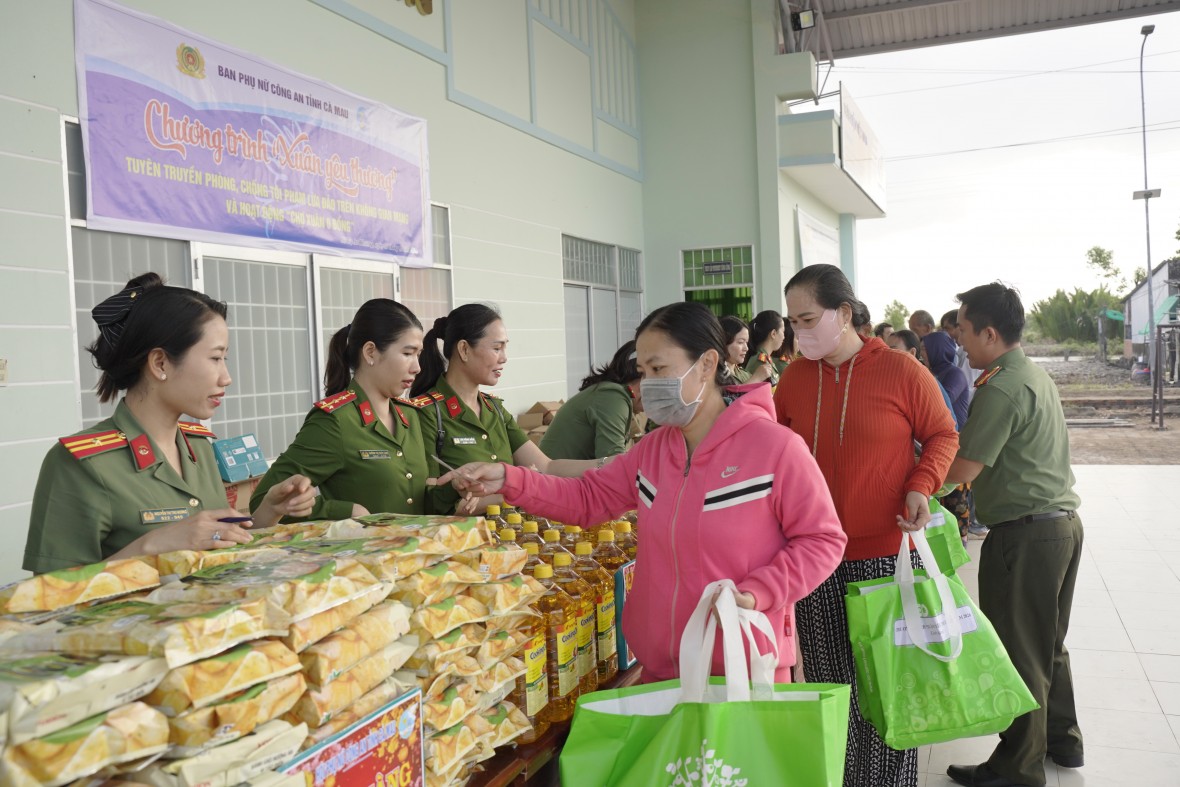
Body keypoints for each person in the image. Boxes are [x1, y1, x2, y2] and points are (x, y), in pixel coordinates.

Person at [433, 301, 847, 684]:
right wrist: (509, 480)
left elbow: (822, 539)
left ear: (706, 364)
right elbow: (586, 499)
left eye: (659, 369)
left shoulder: (774, 449)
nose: (647, 385)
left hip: (741, 671)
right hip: (663, 672)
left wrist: (761, 592)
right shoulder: (653, 451)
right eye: (644, 371)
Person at [773, 264, 958, 787]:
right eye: (793, 322)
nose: (800, 332)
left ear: (844, 314)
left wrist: (922, 483)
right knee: (834, 684)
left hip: (884, 557)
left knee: (886, 684)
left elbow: (944, 435)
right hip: (814, 558)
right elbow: (775, 450)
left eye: (808, 319)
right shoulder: (795, 378)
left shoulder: (900, 371)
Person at [24, 273, 315, 574]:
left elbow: (214, 549)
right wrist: (151, 546)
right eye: (215, 358)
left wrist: (270, 510)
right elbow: (51, 595)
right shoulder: (80, 464)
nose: (226, 377)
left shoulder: (198, 447)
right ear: (160, 363)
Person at [944, 284, 1083, 787]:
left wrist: (915, 489)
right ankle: (1062, 742)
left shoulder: (999, 387)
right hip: (1061, 525)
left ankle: (1018, 765)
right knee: (1048, 643)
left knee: (1020, 648)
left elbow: (965, 466)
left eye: (961, 329)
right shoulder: (1032, 374)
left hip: (1026, 536)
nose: (958, 339)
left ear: (988, 332)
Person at [250, 299, 431, 519]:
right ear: (370, 352)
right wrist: (343, 511)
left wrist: (456, 486)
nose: (417, 367)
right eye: (407, 354)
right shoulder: (336, 421)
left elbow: (418, 493)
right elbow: (265, 500)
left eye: (418, 355)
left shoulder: (409, 416)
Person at [409, 303, 599, 513]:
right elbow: (432, 502)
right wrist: (517, 489)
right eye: (496, 348)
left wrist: (612, 465)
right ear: (464, 349)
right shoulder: (425, 413)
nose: (504, 358)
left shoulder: (494, 410)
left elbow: (546, 467)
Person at [539, 340, 643, 460]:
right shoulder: (614, 397)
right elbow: (612, 462)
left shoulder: (611, 393)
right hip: (557, 477)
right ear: (640, 375)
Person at [888, 329, 961, 430]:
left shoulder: (925, 380)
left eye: (893, 350)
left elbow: (949, 427)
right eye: (885, 349)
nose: (886, 354)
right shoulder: (890, 381)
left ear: (912, 352)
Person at [922, 331, 970, 431]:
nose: (921, 354)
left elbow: (942, 401)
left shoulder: (955, 374)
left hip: (957, 437)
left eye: (924, 349)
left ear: (937, 350)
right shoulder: (931, 372)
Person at [942, 308, 983, 394]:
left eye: (947, 329)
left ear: (959, 328)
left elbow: (967, 384)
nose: (944, 333)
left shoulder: (970, 352)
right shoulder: (960, 350)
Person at [744, 310, 786, 384]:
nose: (784, 337)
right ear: (773, 333)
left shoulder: (767, 359)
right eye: (783, 332)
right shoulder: (759, 361)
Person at [719, 315, 753, 383]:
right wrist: (756, 378)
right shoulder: (717, 375)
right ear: (724, 342)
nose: (746, 348)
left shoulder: (744, 374)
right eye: (740, 342)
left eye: (746, 342)